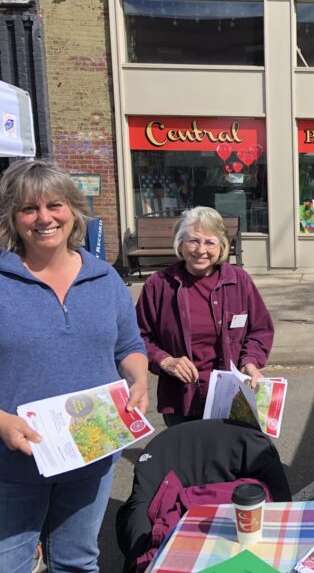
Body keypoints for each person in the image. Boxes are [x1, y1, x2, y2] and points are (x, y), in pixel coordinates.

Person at [0, 160, 149, 572]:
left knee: (77, 560)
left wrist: (138, 378)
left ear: (74, 210)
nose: (44, 217)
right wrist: (1, 422)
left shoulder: (105, 279)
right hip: (14, 459)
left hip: (91, 451)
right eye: (29, 209)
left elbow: (129, 346)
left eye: (55, 205)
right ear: (13, 218)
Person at [136, 206, 274, 427]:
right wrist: (165, 360)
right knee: (187, 459)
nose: (201, 250)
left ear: (221, 246)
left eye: (210, 242)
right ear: (180, 243)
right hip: (181, 398)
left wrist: (250, 362)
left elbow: (259, 330)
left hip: (231, 396)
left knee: (228, 458)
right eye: (193, 241)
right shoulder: (159, 285)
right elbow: (139, 337)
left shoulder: (238, 281)